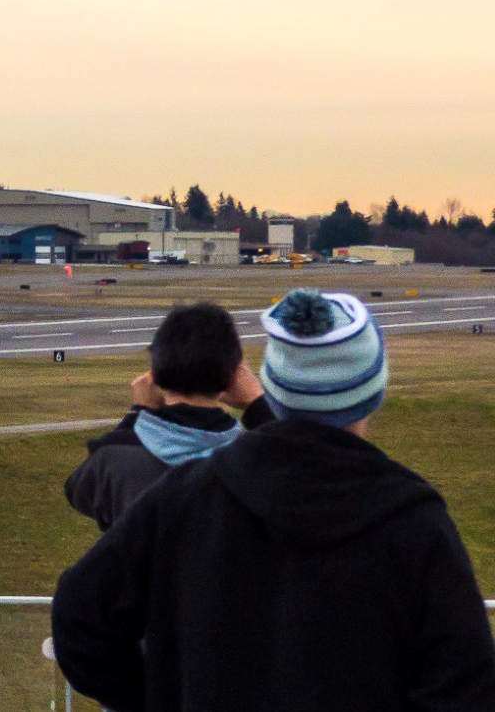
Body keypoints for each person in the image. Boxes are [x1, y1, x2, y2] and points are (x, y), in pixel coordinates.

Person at [53, 289, 495, 711]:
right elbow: (465, 688)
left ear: (273, 384)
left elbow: (79, 618)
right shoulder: (414, 521)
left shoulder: (184, 498)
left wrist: (162, 698)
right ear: (374, 393)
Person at [63, 302, 274, 530]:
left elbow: (78, 491)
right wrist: (258, 404)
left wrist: (137, 413)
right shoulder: (260, 461)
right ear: (234, 379)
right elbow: (307, 468)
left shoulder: (114, 459)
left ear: (156, 373)